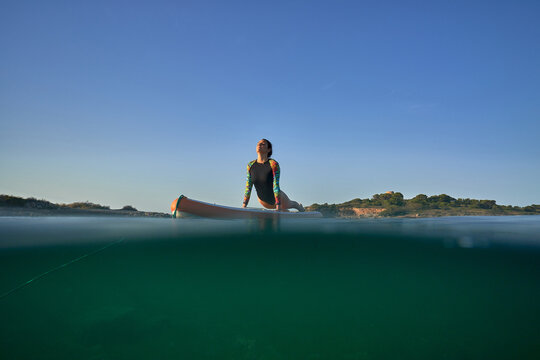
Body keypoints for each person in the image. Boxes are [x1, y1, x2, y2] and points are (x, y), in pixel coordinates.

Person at [242, 139, 305, 212]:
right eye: (258, 143)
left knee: (291, 204)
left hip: (278, 199)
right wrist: (244, 206)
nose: (259, 145)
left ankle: (298, 205)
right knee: (281, 211)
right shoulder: (250, 165)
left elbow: (276, 185)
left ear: (268, 149)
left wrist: (278, 205)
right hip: (263, 201)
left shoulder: (273, 164)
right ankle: (284, 211)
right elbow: (248, 187)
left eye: (263, 144)